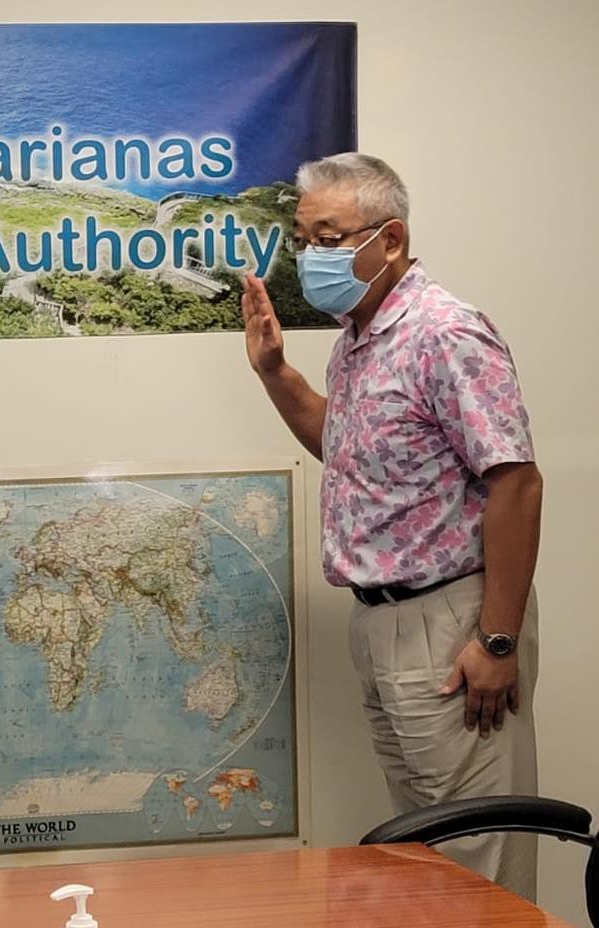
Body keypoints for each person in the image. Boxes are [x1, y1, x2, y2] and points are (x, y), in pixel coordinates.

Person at [242, 154, 542, 898]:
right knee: (424, 858)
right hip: (381, 625)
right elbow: (347, 451)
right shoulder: (358, 338)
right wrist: (277, 373)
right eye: (302, 240)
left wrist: (497, 640)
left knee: (476, 864)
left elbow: (516, 481)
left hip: (453, 625)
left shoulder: (445, 332)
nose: (310, 257)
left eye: (328, 238)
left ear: (392, 239)